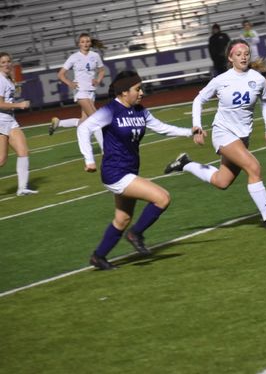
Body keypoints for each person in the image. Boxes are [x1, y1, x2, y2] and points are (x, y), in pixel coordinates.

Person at [77, 70, 194, 270]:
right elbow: (83, 128)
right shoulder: (111, 110)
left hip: (129, 170)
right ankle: (136, 234)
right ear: (124, 92)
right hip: (115, 172)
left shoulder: (140, 111)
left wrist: (189, 132)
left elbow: (161, 127)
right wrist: (89, 159)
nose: (141, 93)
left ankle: (98, 257)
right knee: (162, 198)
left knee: (122, 219)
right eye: (137, 89)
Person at [163, 39, 266, 229]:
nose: (243, 57)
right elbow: (198, 100)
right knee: (254, 167)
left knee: (222, 181)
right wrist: (197, 126)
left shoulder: (258, 79)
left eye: (246, 53)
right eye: (238, 54)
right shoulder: (221, 80)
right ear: (230, 58)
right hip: (223, 133)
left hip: (242, 137)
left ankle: (185, 164)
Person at [49, 33, 106, 150]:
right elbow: (60, 74)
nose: (85, 43)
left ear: (90, 43)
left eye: (87, 41)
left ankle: (59, 123)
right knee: (96, 119)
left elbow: (101, 71)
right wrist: (70, 83)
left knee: (84, 121)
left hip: (91, 92)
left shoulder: (95, 55)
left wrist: (98, 80)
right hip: (81, 92)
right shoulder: (74, 57)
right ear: (78, 44)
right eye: (83, 42)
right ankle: (105, 149)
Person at [0, 52, 38, 196]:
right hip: (1, 121)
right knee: (1, 160)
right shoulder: (1, 80)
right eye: (3, 62)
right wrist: (19, 105)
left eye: (8, 61)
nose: (6, 64)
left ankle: (22, 188)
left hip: (10, 120)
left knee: (23, 152)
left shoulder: (7, 78)